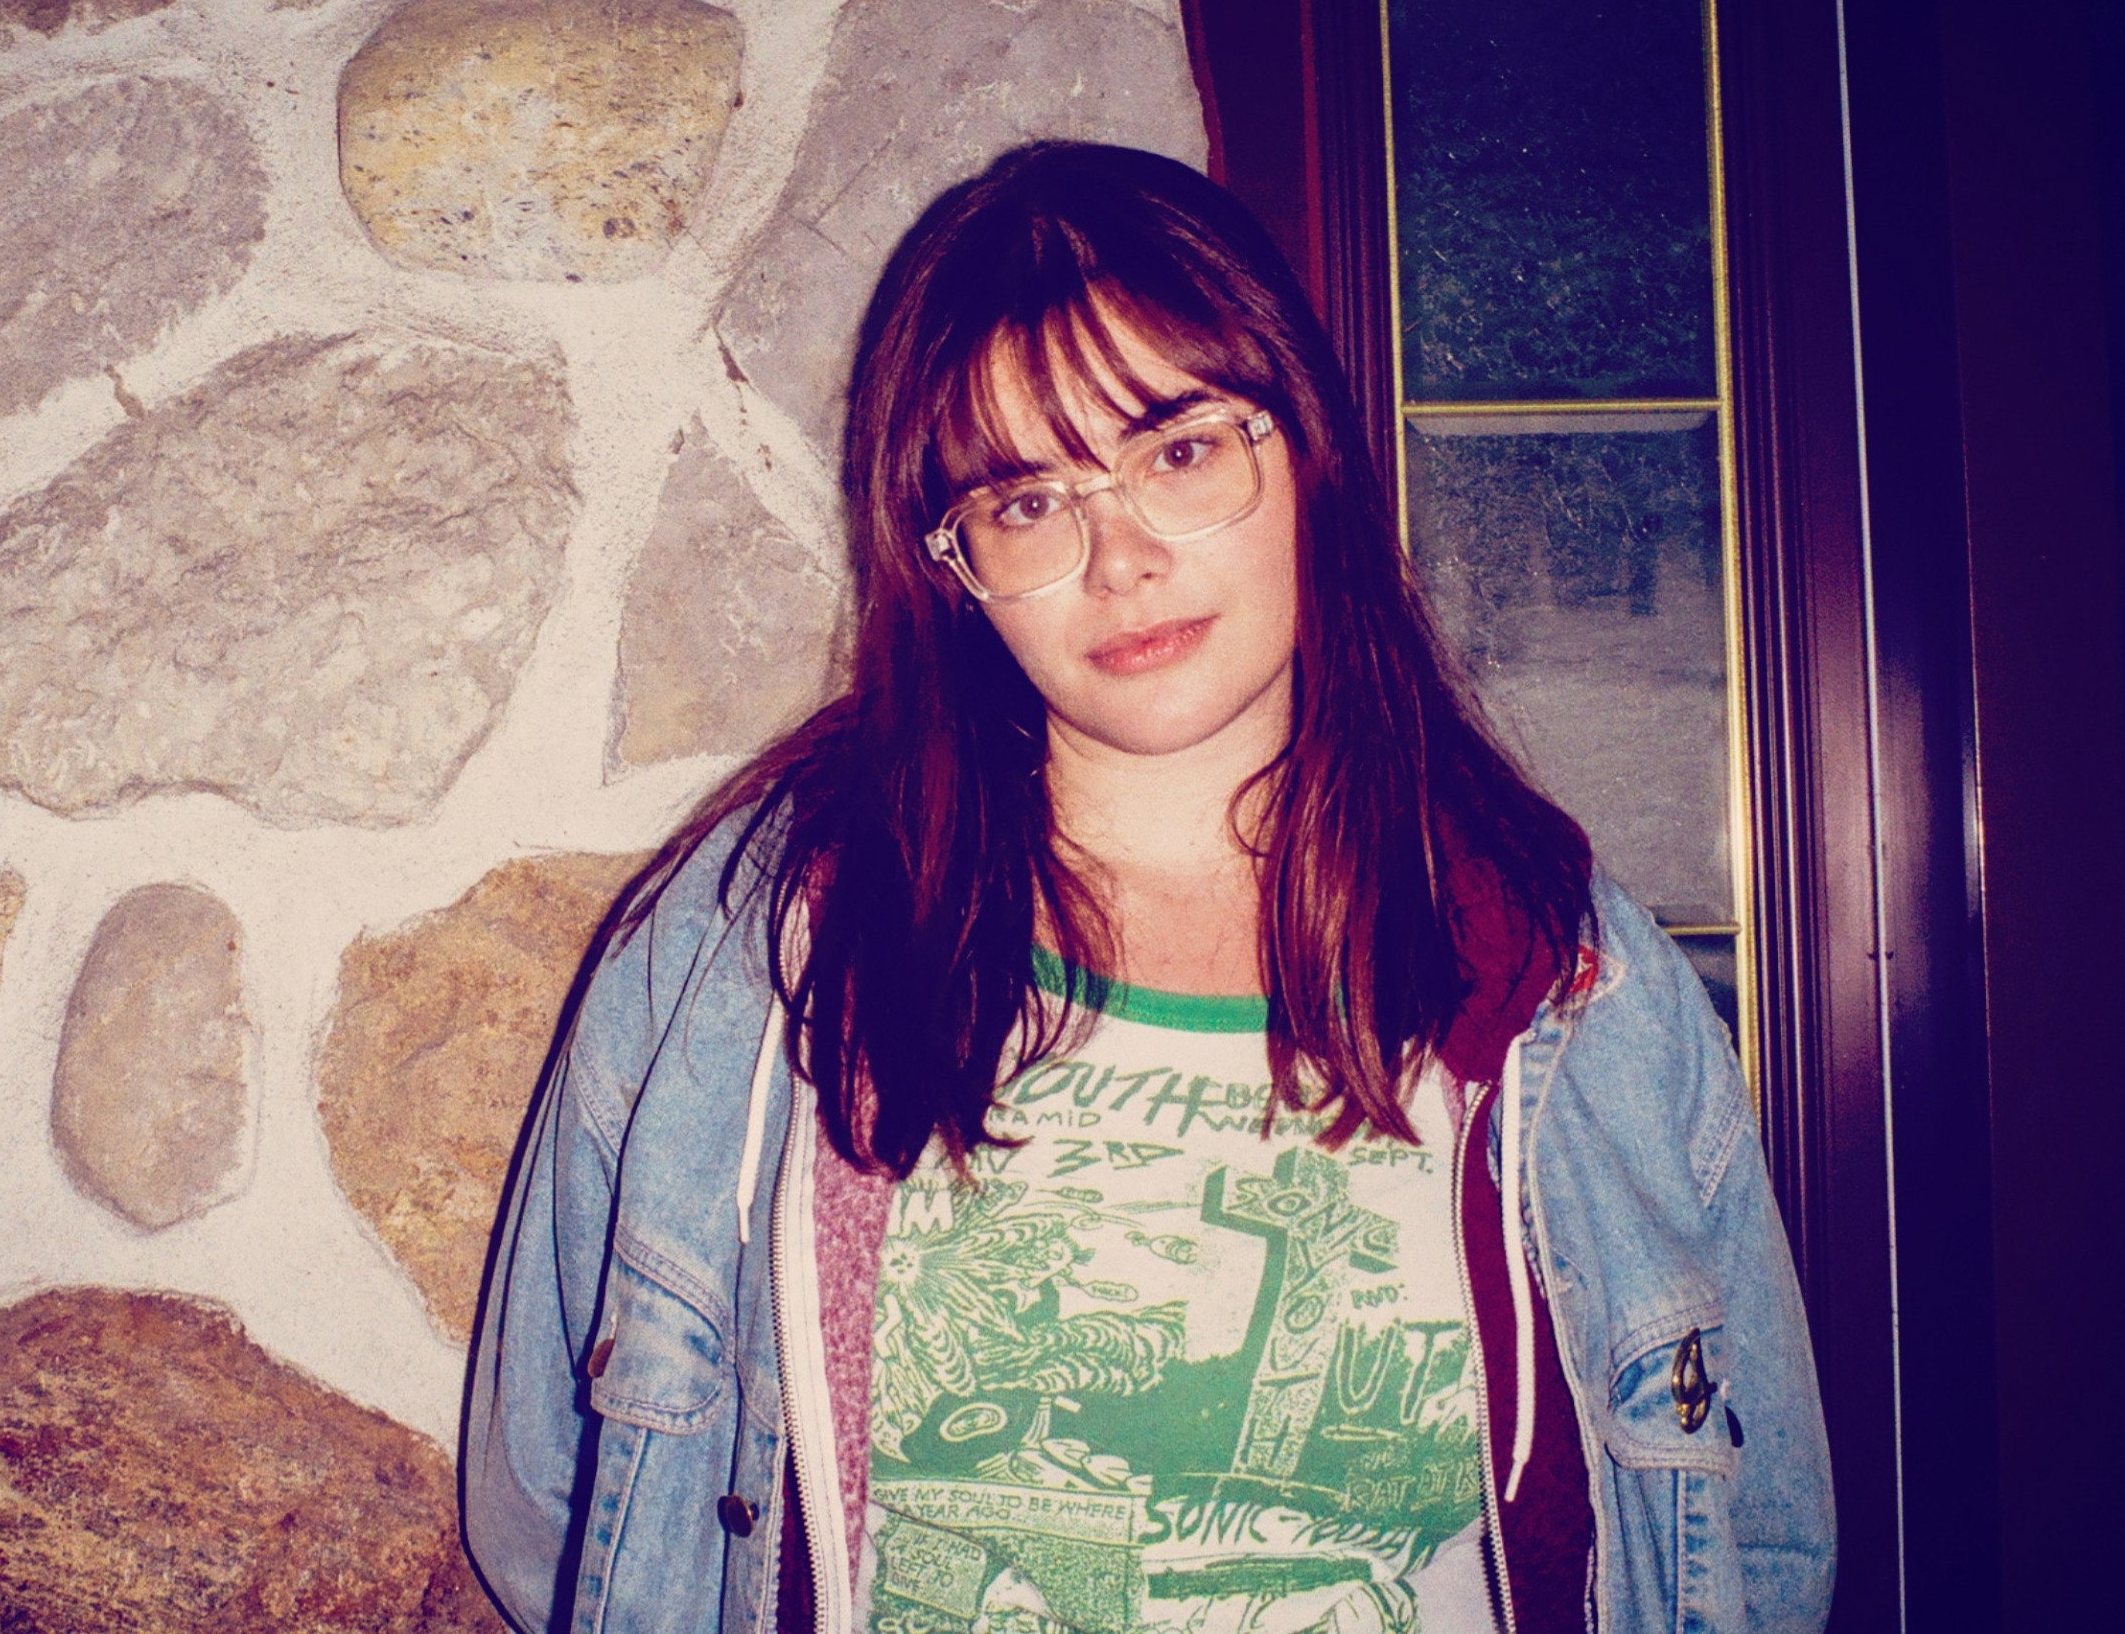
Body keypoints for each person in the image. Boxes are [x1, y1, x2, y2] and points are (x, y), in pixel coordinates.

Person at [462, 141, 1832, 1634]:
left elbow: (1754, 1547)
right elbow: (558, 1507)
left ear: (1302, 451)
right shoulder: (758, 952)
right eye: (1026, 502)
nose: (1118, 559)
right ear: (950, 564)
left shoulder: (1563, 977)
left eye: (1178, 452)